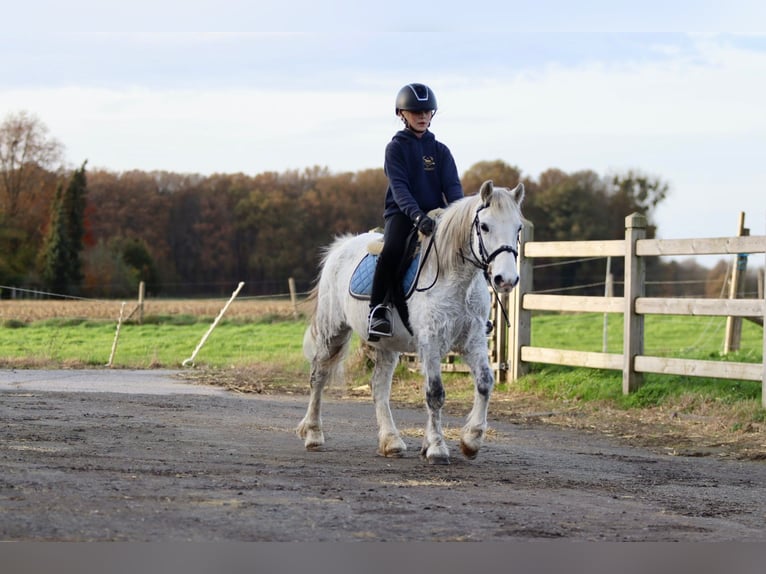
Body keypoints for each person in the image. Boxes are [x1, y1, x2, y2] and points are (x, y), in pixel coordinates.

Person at [367, 83, 464, 340]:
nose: (422, 117)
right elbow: (400, 189)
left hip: (437, 216)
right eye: (415, 112)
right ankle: (377, 310)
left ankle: (470, 312)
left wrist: (459, 216)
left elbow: (453, 189)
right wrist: (417, 216)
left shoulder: (441, 151)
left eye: (427, 112)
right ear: (402, 114)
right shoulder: (395, 148)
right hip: (402, 213)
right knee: (392, 249)